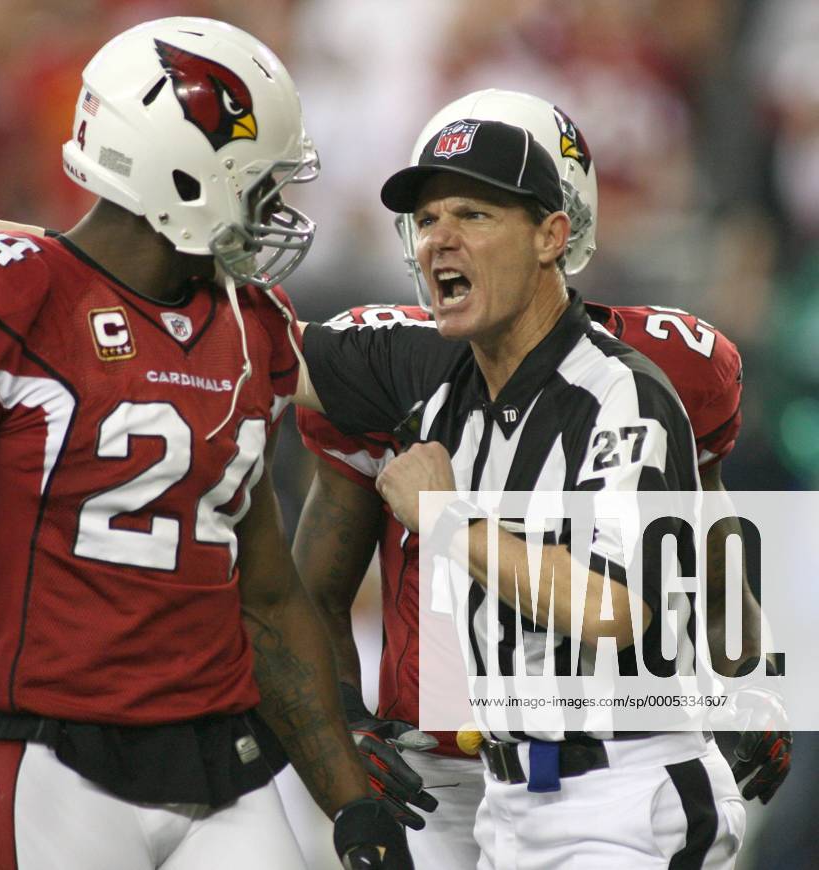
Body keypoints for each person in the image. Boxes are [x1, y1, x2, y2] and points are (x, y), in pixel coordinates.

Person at [0, 18, 415, 870]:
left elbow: (266, 595)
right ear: (186, 177)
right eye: (259, 186)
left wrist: (350, 807)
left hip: (227, 766)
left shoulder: (251, 328)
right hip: (58, 764)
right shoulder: (12, 297)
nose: (277, 212)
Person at [293, 91, 790, 867]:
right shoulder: (421, 368)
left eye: (474, 214)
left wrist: (445, 514)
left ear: (555, 231)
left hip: (625, 791)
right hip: (500, 797)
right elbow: (233, 346)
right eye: (426, 220)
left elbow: (621, 601)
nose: (439, 241)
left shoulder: (633, 384)